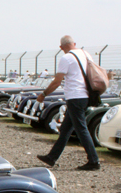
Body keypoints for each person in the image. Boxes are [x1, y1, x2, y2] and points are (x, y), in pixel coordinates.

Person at [37, 35, 100, 171]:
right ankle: (51, 157)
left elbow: (57, 81)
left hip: (75, 96)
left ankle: (94, 161)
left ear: (61, 47)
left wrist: (43, 94)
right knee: (66, 129)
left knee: (81, 129)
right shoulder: (85, 54)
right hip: (86, 95)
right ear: (74, 43)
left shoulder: (66, 58)